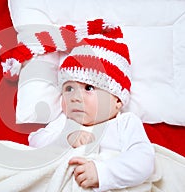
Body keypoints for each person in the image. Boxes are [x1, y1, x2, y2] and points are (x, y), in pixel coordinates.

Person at [28, 20, 155, 191]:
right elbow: (34, 142)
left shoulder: (124, 123)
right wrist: (64, 140)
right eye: (69, 88)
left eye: (88, 88)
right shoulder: (64, 123)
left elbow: (144, 160)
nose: (75, 97)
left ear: (117, 100)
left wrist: (103, 173)